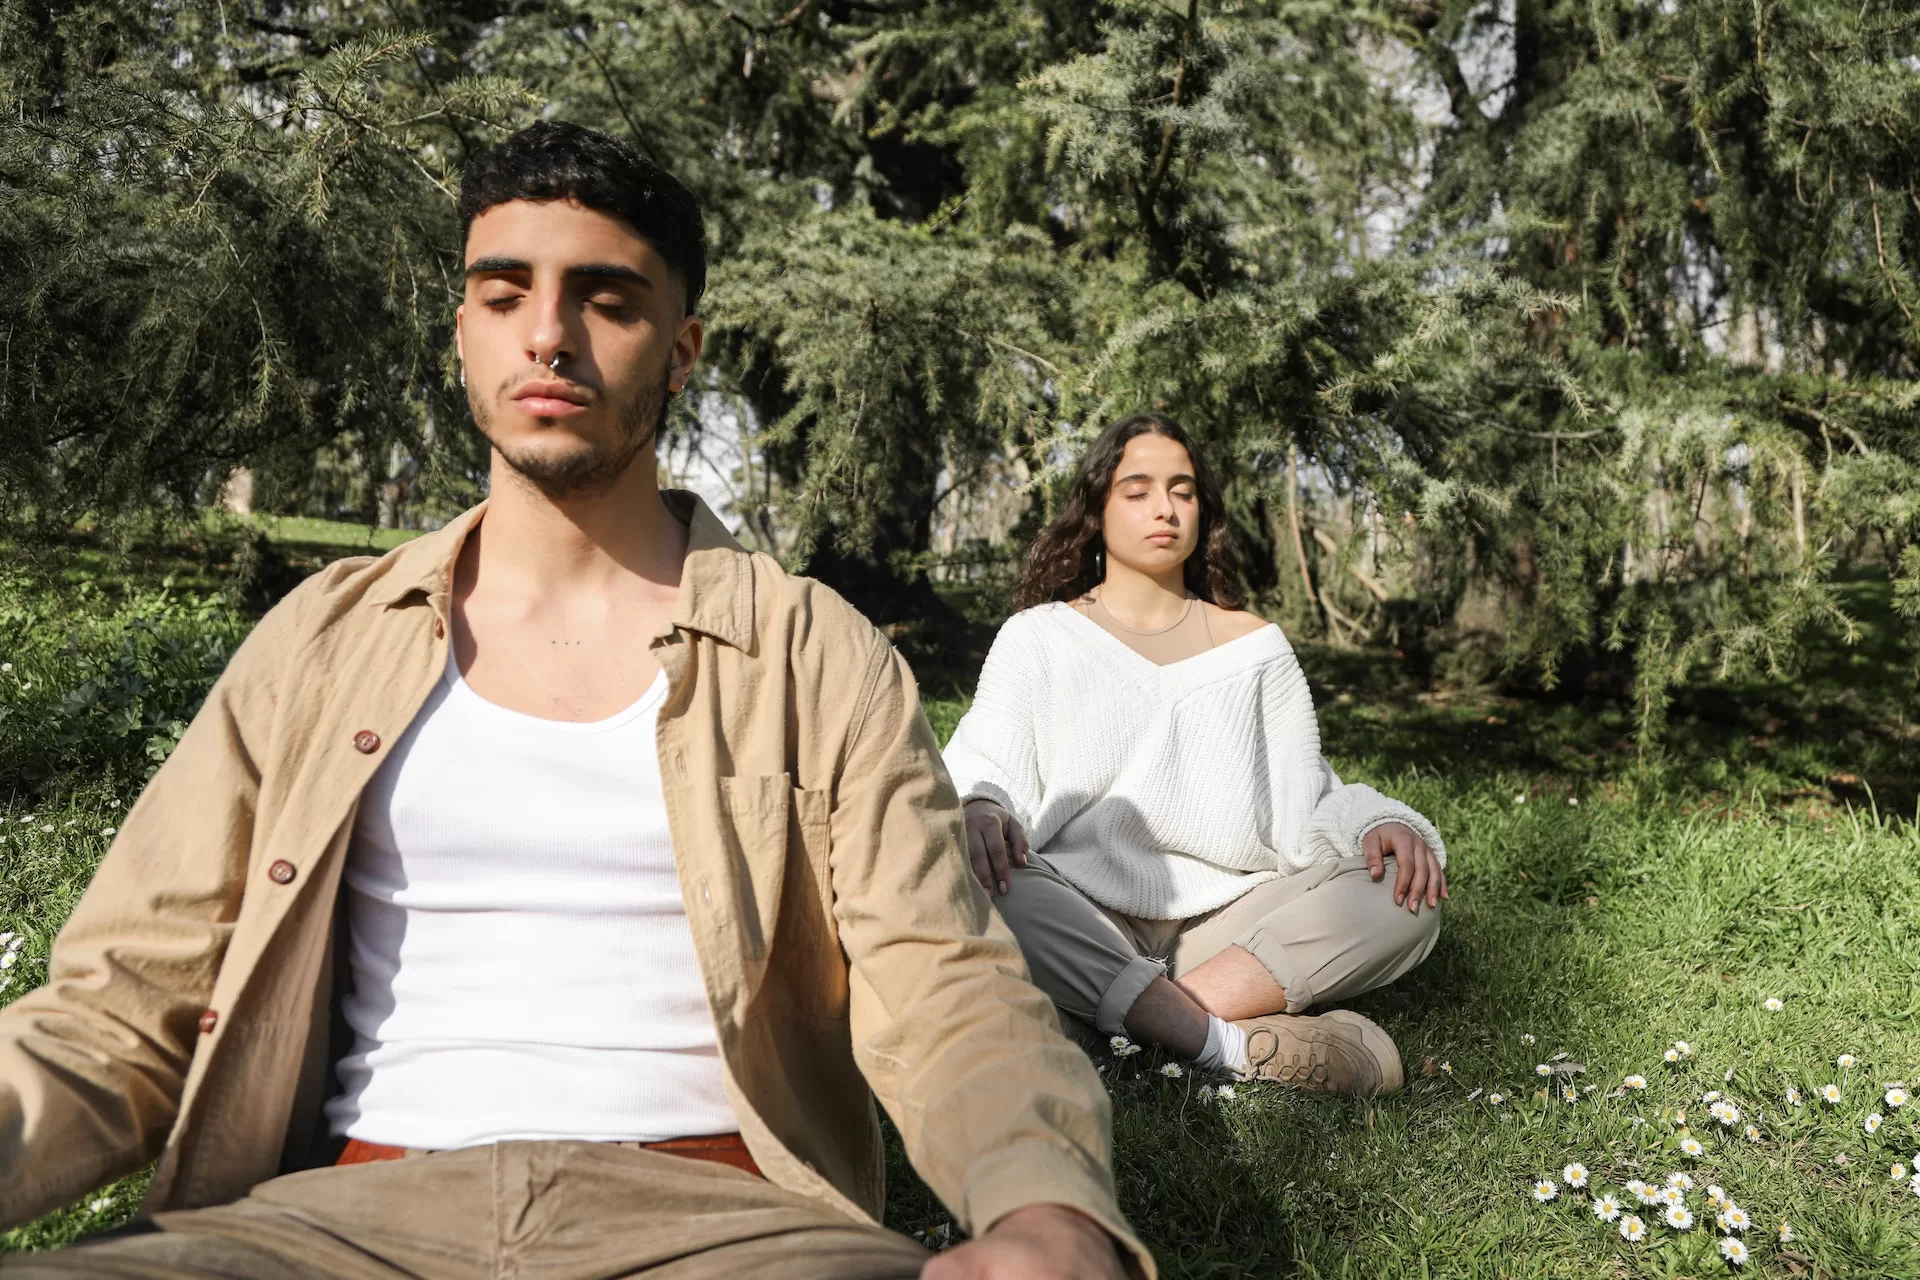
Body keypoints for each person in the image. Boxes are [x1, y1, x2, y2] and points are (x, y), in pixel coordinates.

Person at [0, 123, 1150, 1280]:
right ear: (463, 330)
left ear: (682, 348)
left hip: (725, 1224)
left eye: (606, 300)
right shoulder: (320, 641)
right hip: (338, 1220)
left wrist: (1044, 1204)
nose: (547, 336)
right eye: (505, 294)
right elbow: (120, 1003)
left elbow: (944, 981)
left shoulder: (813, 654)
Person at [942, 414, 1448, 1094]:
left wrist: (1370, 824)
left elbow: (1307, 796)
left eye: (1183, 490)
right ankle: (1225, 1045)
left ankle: (1109, 1031)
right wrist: (979, 802)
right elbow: (986, 759)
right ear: (1096, 510)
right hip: (1076, 911)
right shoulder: (1039, 638)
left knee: (1403, 892)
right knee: (968, 863)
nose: (1165, 507)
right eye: (1138, 489)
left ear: (1202, 511)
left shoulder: (1255, 648)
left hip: (1225, 923)